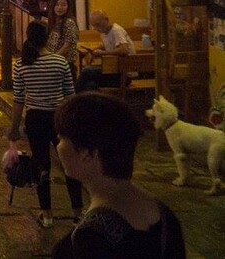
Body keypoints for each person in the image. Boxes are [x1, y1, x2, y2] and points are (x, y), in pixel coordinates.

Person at [51, 93, 186, 259]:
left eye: (61, 138)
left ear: (87, 154)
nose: (58, 146)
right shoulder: (165, 216)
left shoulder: (90, 240)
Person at [7, 21, 81, 229]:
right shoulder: (60, 62)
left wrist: (14, 128)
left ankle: (47, 214)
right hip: (59, 118)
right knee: (69, 164)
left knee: (41, 166)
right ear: (48, 38)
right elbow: (70, 95)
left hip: (35, 119)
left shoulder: (21, 64)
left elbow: (19, 99)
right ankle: (78, 213)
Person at [75, 10, 135, 92]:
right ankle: (83, 99)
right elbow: (108, 46)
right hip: (114, 70)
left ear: (106, 20)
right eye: (94, 26)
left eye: (98, 24)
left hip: (124, 75)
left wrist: (102, 53)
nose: (96, 28)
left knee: (87, 71)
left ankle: (72, 96)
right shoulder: (104, 33)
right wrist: (93, 51)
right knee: (90, 85)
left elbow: (124, 49)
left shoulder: (116, 30)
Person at [47, 0, 80, 82]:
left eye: (63, 5)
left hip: (65, 65)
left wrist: (53, 59)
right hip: (55, 64)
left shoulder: (69, 22)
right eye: (57, 4)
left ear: (68, 7)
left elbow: (67, 46)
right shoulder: (53, 22)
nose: (60, 8)